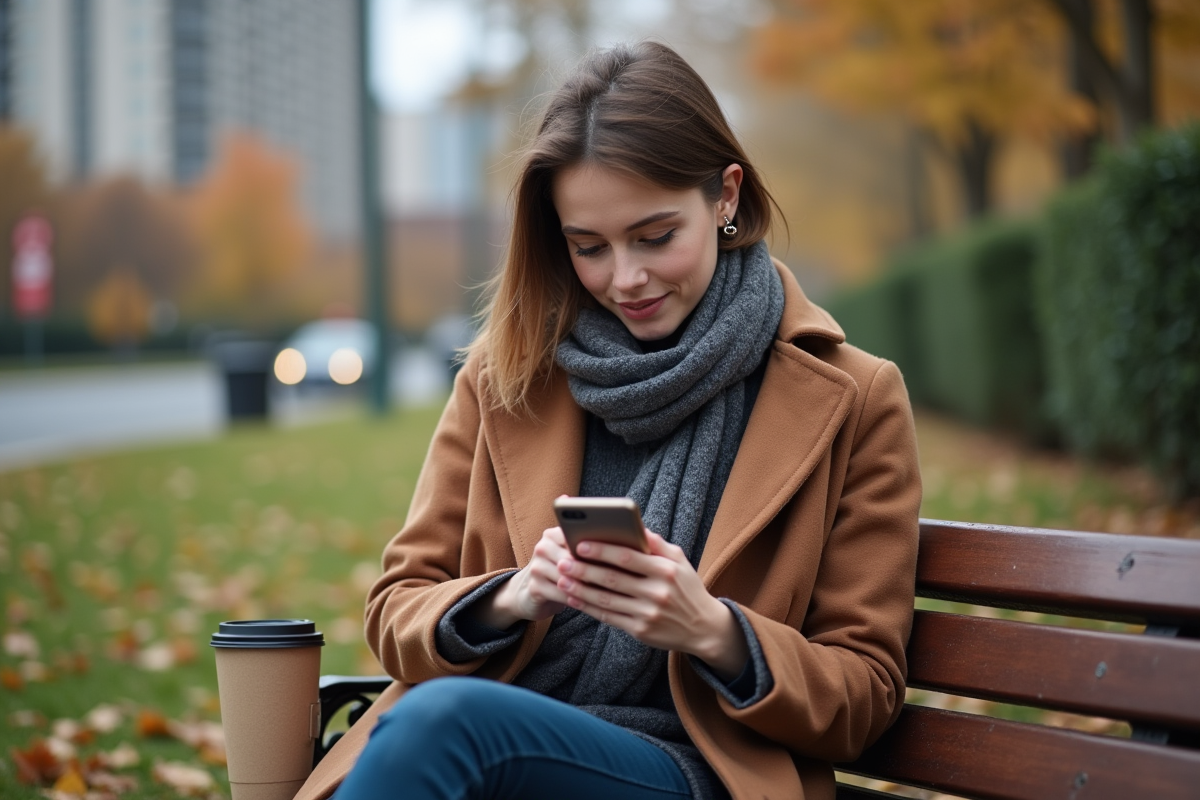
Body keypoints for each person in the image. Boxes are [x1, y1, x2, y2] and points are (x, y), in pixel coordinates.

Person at [297, 40, 920, 800]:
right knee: (452, 728)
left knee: (448, 728)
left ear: (725, 197)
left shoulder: (852, 397)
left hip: (697, 770)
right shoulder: (506, 380)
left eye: (656, 237)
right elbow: (397, 606)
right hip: (507, 735)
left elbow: (866, 692)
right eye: (589, 247)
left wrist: (712, 631)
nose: (625, 279)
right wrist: (512, 597)